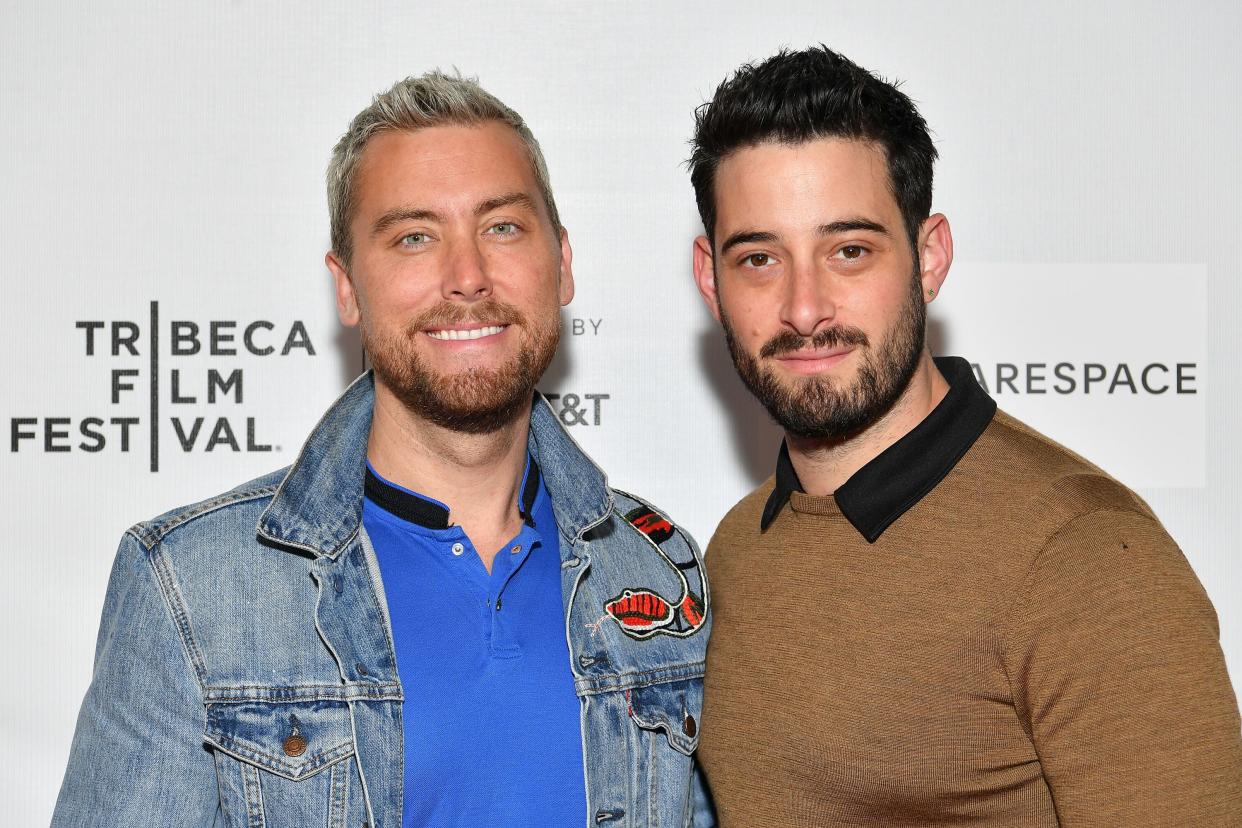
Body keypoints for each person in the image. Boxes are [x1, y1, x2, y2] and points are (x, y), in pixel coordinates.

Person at [54, 72, 713, 828]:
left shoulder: (660, 571)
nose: (467, 277)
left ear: (561, 264)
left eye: (501, 227)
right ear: (347, 288)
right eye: (413, 237)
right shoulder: (191, 590)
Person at [687, 46, 1241, 825]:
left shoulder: (1084, 558)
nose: (804, 308)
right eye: (759, 258)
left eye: (849, 251)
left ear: (929, 256)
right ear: (712, 279)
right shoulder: (736, 546)